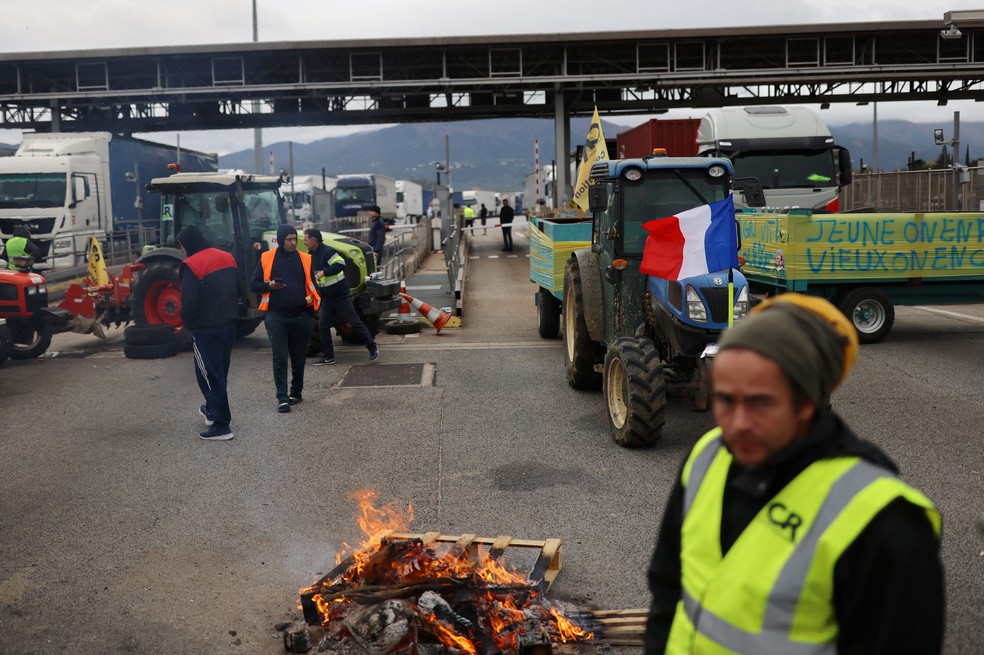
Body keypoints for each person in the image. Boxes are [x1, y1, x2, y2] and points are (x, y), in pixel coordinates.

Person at [644, 294, 944, 655]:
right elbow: (667, 594)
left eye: (761, 402)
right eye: (725, 399)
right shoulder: (707, 457)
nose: (737, 425)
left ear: (806, 403)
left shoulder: (886, 523)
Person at [177, 225, 240, 441]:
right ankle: (212, 410)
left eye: (182, 246)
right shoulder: (227, 257)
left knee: (208, 375)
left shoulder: (191, 265)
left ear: (188, 245)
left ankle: (222, 426)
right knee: (219, 372)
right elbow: (237, 288)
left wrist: (188, 325)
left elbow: (188, 303)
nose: (182, 250)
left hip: (206, 329)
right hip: (229, 325)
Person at [251, 224, 320, 414]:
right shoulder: (267, 258)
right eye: (289, 239)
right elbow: (254, 284)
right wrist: (269, 285)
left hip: (301, 316)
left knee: (298, 358)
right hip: (276, 316)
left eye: (294, 238)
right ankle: (282, 397)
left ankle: (296, 393)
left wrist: (310, 313)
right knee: (280, 358)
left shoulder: (305, 258)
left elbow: (313, 286)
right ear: (281, 240)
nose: (292, 242)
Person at [303, 229, 379, 366]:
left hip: (340, 296)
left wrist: (324, 272)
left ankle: (373, 348)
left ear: (314, 240)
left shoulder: (327, 251)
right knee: (323, 326)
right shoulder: (312, 254)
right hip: (327, 298)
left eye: (306, 239)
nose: (304, 241)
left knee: (354, 322)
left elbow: (340, 264)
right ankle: (328, 356)